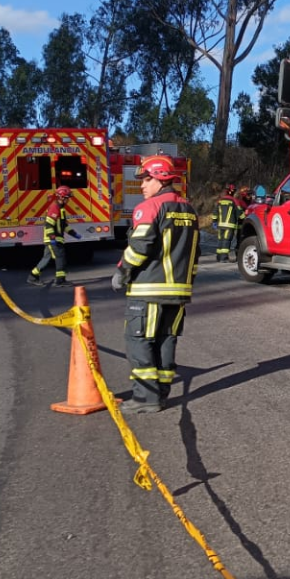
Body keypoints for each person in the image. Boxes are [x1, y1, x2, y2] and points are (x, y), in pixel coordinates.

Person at [111, 155, 200, 414]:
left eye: (147, 179)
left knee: (138, 340)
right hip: (179, 292)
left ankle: (144, 398)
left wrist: (122, 272)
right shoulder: (189, 209)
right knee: (166, 340)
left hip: (148, 290)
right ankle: (160, 394)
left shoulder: (149, 208)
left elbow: (140, 248)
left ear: (161, 179)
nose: (142, 185)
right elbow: (193, 253)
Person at [27, 186, 79, 287]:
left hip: (55, 238)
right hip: (53, 239)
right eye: (67, 198)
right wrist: (52, 238)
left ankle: (33, 276)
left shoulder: (61, 208)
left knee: (46, 259)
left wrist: (73, 233)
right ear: (62, 198)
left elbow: (63, 225)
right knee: (60, 257)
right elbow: (49, 224)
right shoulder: (55, 207)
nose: (68, 200)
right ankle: (60, 280)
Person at [214, 184, 239, 262]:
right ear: (232, 192)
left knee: (220, 240)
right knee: (226, 241)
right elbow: (239, 212)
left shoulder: (220, 200)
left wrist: (214, 221)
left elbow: (215, 212)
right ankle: (224, 258)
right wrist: (244, 218)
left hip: (220, 225)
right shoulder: (234, 201)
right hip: (229, 225)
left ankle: (218, 257)